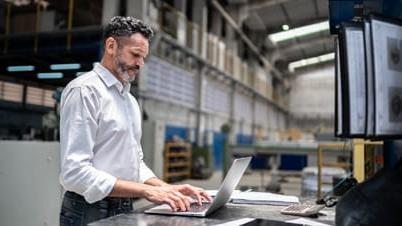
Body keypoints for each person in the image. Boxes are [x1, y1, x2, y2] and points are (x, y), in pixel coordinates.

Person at [59, 16, 212, 226]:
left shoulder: (128, 100)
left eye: (143, 57)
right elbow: (74, 173)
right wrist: (147, 191)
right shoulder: (85, 91)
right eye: (135, 55)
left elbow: (134, 163)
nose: (140, 64)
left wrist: (165, 188)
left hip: (124, 205)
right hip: (89, 209)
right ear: (111, 46)